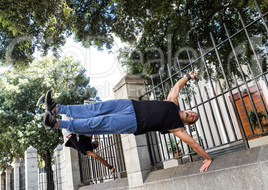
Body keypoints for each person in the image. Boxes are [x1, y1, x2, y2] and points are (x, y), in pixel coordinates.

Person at [43, 71, 213, 172]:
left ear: (190, 123)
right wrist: (188, 77)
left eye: (194, 118)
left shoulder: (178, 128)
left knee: (96, 123)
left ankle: (57, 124)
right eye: (193, 112)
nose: (192, 114)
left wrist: (207, 158)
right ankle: (57, 109)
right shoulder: (173, 103)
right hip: (129, 105)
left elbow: (194, 145)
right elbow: (176, 88)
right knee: (95, 108)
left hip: (133, 122)